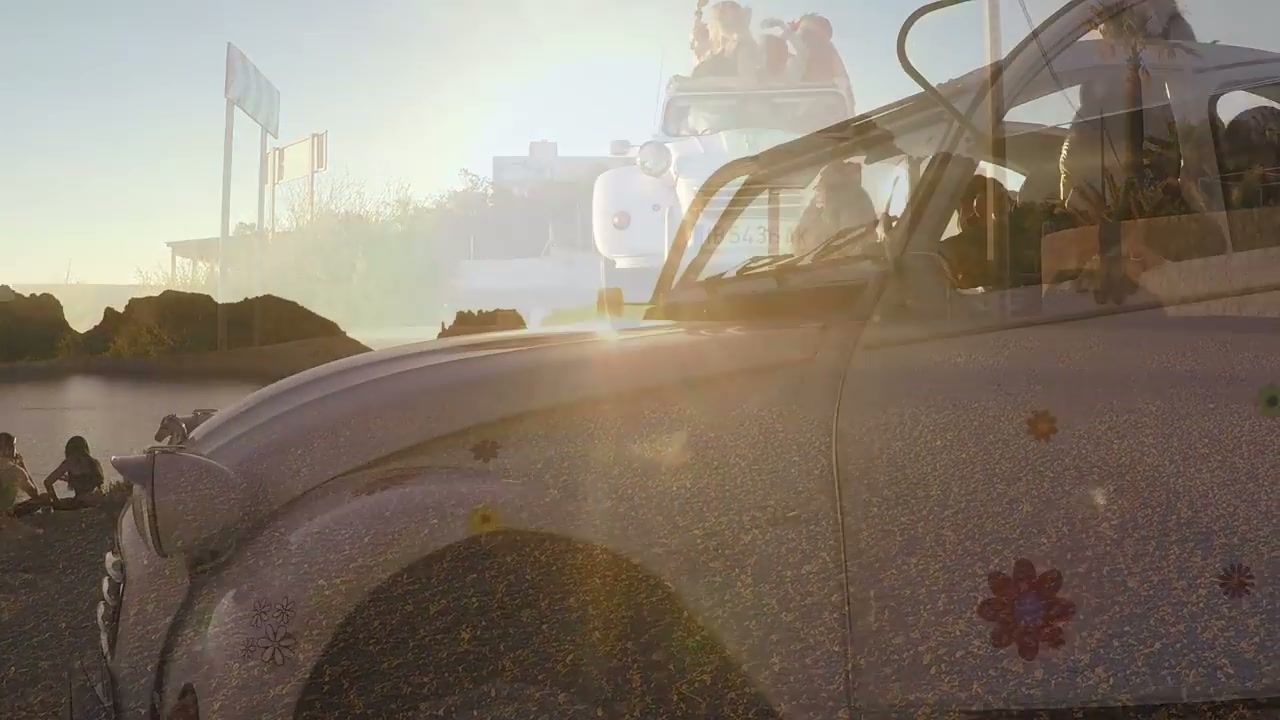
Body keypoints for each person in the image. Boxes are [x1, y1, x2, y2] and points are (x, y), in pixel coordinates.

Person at [40, 436, 106, 511]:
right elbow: (90, 483)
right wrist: (69, 479)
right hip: (97, 501)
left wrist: (56, 502)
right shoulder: (95, 463)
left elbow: (47, 482)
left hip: (81, 503)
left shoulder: (69, 462)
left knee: (44, 498)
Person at [1, 433, 44, 537]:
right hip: (5, 516)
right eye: (14, 447)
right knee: (43, 498)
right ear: (8, 449)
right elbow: (34, 494)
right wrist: (23, 466)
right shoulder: (15, 471)